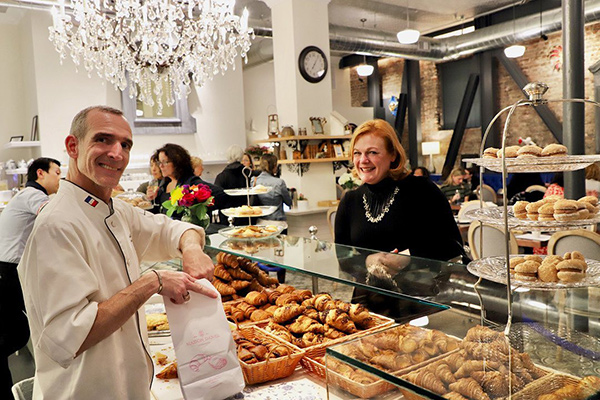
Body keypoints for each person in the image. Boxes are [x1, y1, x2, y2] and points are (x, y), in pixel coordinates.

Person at [18, 106, 217, 399]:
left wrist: (191, 248)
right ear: (73, 146)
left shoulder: (117, 210)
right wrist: (153, 282)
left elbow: (170, 230)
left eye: (125, 144)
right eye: (103, 140)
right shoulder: (57, 224)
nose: (117, 153)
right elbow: (74, 333)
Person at [335, 119, 463, 261]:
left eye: (372, 152)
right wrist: (367, 261)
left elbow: (453, 246)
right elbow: (343, 259)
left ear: (393, 155)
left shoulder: (421, 190)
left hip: (419, 283)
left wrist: (406, 258)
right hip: (366, 284)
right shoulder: (350, 200)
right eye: (357, 153)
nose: (363, 160)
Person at [0, 157, 61, 398]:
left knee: (14, 330)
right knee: (15, 331)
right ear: (40, 173)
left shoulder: (27, 196)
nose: (60, 177)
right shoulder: (33, 195)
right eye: (56, 172)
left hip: (8, 269)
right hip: (8, 271)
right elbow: (56, 218)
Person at [150, 143, 228, 220]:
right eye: (160, 162)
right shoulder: (163, 185)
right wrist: (151, 200)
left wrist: (200, 206)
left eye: (165, 162)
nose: (161, 166)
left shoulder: (191, 182)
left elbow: (221, 194)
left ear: (177, 163)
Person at [255, 154, 292, 222]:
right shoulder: (279, 183)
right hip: (277, 220)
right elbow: (288, 202)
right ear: (274, 166)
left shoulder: (254, 181)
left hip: (260, 220)